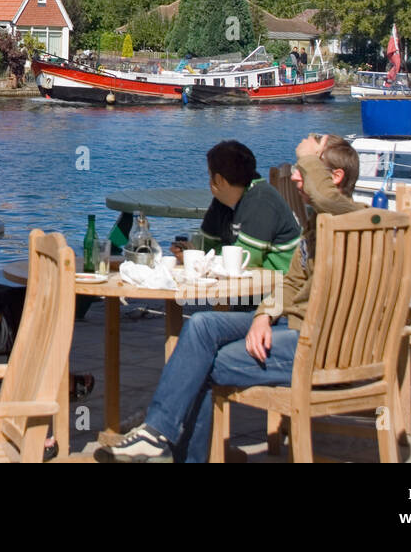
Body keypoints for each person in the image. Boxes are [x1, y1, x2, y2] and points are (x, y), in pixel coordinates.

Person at [96, 133, 359, 463]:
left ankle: (168, 441)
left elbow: (329, 199)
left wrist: (306, 153)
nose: (295, 176)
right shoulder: (318, 225)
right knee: (203, 328)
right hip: (294, 326)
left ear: (334, 178)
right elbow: (292, 283)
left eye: (305, 168)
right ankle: (156, 433)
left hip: (318, 343)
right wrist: (264, 315)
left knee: (200, 362)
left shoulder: (353, 221)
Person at [175, 140, 302, 272]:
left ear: (219, 180)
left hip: (279, 286)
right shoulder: (223, 201)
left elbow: (242, 262)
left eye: (209, 174)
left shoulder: (261, 201)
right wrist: (188, 253)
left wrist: (202, 260)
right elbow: (203, 247)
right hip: (250, 283)